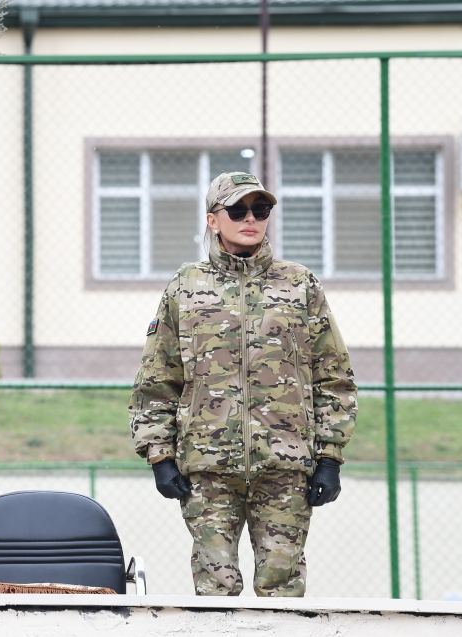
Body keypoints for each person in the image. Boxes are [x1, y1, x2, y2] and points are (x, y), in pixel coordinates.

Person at [128, 171, 357, 597]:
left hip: (285, 466)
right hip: (208, 468)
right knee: (215, 591)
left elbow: (333, 376)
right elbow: (158, 379)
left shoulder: (300, 285)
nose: (250, 218)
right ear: (213, 220)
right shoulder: (185, 287)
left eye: (260, 209)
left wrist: (330, 457)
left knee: (282, 589)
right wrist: (159, 455)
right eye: (237, 210)